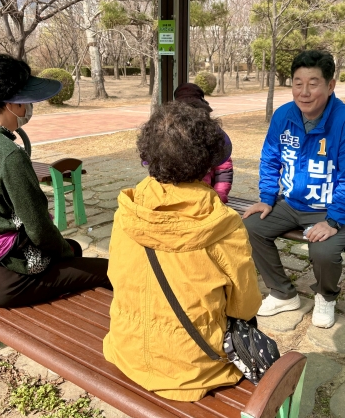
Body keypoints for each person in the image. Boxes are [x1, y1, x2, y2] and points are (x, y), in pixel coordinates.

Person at [103, 101, 261, 402]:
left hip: (126, 349)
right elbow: (245, 306)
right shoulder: (222, 224)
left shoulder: (127, 211)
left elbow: (116, 275)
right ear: (207, 164)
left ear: (148, 157)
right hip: (193, 369)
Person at [0, 54, 111, 308]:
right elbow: (39, 228)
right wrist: (65, 253)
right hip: (7, 280)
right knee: (108, 269)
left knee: (73, 250)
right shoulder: (9, 154)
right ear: (15, 104)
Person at [242, 50, 345, 329]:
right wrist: (267, 198)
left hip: (334, 209)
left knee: (323, 252)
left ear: (330, 85)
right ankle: (282, 293)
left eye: (313, 83)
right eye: (297, 83)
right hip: (292, 204)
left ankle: (326, 297)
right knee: (250, 226)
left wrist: (334, 220)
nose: (304, 92)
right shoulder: (284, 116)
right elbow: (270, 158)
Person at [174, 83, 234, 203]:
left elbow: (223, 169)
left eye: (194, 109)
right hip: (174, 198)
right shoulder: (168, 132)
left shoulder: (213, 133)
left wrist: (219, 195)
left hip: (206, 198)